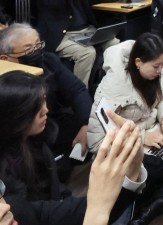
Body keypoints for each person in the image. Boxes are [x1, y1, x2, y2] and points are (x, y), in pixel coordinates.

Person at [0, 71, 146, 225]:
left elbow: (54, 200)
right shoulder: (11, 190)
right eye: (35, 107)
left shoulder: (36, 141)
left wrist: (133, 169)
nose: (46, 110)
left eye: (43, 100)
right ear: (15, 115)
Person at [87, 33, 163, 225]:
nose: (160, 70)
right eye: (156, 66)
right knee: (159, 166)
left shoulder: (154, 72)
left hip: (154, 134)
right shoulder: (113, 87)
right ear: (138, 62)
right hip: (128, 148)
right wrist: (141, 137)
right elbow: (97, 142)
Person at [0, 24, 92, 160]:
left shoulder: (49, 60)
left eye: (38, 45)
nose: (36, 51)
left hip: (52, 120)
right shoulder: (6, 84)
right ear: (5, 59)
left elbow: (77, 90)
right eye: (29, 50)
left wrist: (86, 124)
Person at [35, 0, 119, 86]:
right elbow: (54, 2)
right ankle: (80, 93)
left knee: (114, 43)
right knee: (87, 53)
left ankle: (111, 85)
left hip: (86, 30)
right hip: (62, 34)